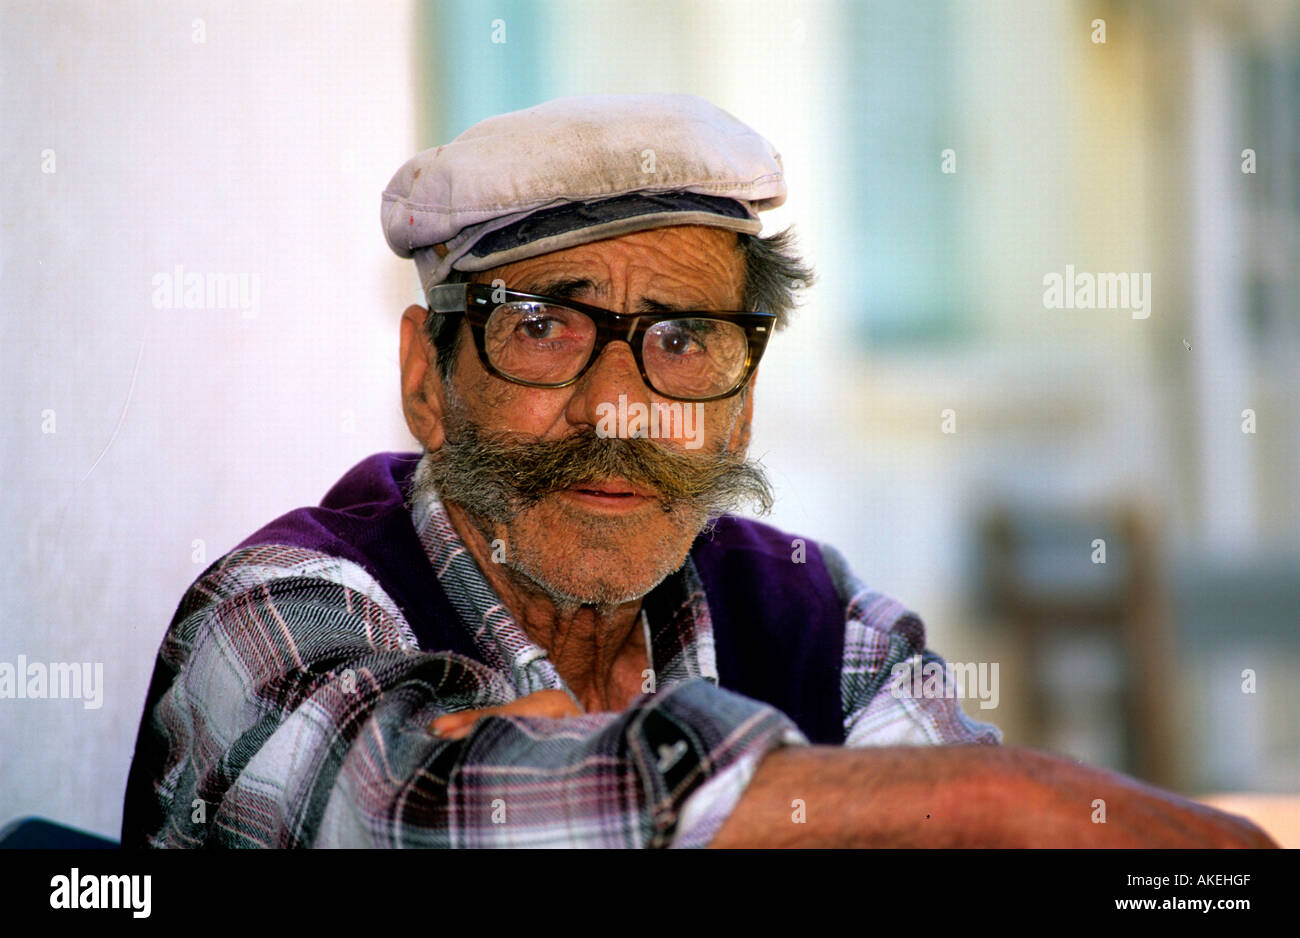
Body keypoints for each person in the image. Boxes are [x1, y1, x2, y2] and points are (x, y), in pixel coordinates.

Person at [121, 94, 1274, 848]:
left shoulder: (820, 619)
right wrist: (984, 798)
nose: (617, 405)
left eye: (683, 341)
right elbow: (399, 814)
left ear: (741, 400)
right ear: (429, 373)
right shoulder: (280, 606)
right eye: (544, 325)